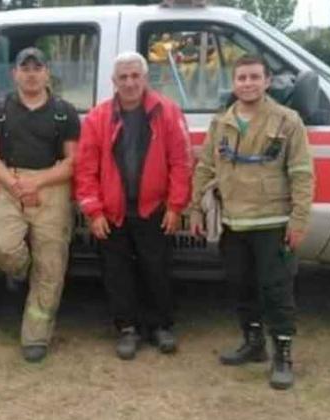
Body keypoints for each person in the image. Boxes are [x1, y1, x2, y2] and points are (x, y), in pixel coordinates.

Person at [189, 55, 314, 390]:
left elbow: (302, 173)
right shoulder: (222, 123)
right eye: (241, 78)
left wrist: (299, 219)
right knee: (241, 286)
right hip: (233, 223)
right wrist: (196, 209)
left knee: (276, 290)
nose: (247, 83)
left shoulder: (288, 121)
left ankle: (283, 355)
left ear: (267, 81)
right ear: (234, 83)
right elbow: (204, 168)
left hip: (273, 223)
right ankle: (253, 343)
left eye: (254, 77)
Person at [75, 52, 192, 361]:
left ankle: (161, 326)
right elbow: (85, 169)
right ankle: (127, 328)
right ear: (113, 82)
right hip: (111, 212)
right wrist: (94, 211)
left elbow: (181, 163)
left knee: (157, 269)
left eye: (135, 76)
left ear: (145, 78)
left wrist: (176, 206)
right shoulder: (98, 117)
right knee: (117, 273)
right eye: (123, 77)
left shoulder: (168, 112)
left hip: (154, 208)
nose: (129, 82)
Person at [0, 47, 80, 363]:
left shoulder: (64, 111)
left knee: (51, 267)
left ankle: (35, 335)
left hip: (52, 184)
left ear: (47, 73)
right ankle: (21, 270)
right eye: (25, 67)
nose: (32, 73)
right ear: (15, 74)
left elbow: (73, 161)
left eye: (38, 68)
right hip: (10, 182)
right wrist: (17, 186)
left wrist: (37, 183)